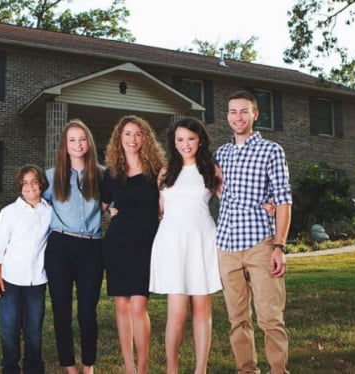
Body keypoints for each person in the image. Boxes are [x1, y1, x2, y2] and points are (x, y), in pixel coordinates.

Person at [214, 90, 293, 374]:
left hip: (260, 242)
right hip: (226, 245)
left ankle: (278, 370)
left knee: (270, 318)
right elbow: (217, 187)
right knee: (237, 319)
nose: (238, 117)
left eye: (244, 111)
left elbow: (284, 200)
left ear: (255, 115)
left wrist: (279, 247)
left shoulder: (271, 150)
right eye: (233, 111)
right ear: (227, 116)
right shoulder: (220, 154)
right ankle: (246, 370)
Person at [149, 118, 222, 374]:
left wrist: (264, 206)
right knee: (177, 313)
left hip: (202, 241)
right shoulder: (166, 171)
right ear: (173, 142)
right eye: (180, 139)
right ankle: (172, 369)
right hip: (172, 243)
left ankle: (200, 370)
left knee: (202, 311)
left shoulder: (211, 170)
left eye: (190, 138)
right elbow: (159, 210)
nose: (185, 144)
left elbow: (234, 201)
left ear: (199, 140)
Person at [102, 114, 165, 374]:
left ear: (145, 138)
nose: (132, 139)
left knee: (139, 305)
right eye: (127, 134)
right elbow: (103, 203)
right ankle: (128, 367)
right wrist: (109, 212)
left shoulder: (157, 171)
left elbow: (166, 204)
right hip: (117, 244)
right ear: (119, 138)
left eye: (138, 134)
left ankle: (142, 366)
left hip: (146, 245)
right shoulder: (111, 174)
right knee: (121, 305)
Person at [42, 119, 105, 374]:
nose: (78, 144)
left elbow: (118, 201)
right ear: (64, 146)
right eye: (72, 140)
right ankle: (69, 366)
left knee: (88, 313)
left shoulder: (102, 175)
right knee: (62, 311)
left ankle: (88, 365)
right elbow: (33, 207)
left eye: (82, 139)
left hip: (92, 249)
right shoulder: (50, 176)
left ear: (88, 143)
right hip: (60, 247)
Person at [0, 164, 52, 374]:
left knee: (33, 331)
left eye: (34, 182)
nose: (29, 187)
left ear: (41, 184)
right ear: (19, 187)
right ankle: (10, 368)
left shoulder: (50, 212)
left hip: (37, 282)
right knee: (9, 329)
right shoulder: (9, 213)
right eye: (24, 183)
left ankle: (33, 368)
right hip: (10, 281)